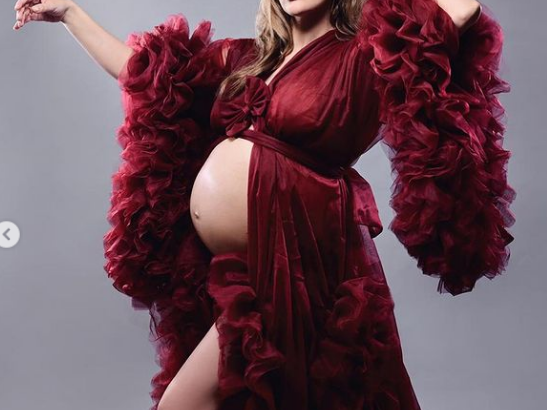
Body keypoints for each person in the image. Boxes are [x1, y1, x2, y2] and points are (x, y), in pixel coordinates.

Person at [13, 0, 515, 410]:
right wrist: (70, 13)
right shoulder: (250, 60)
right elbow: (143, 74)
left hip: (300, 262)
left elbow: (460, 9)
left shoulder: (364, 55)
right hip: (248, 269)